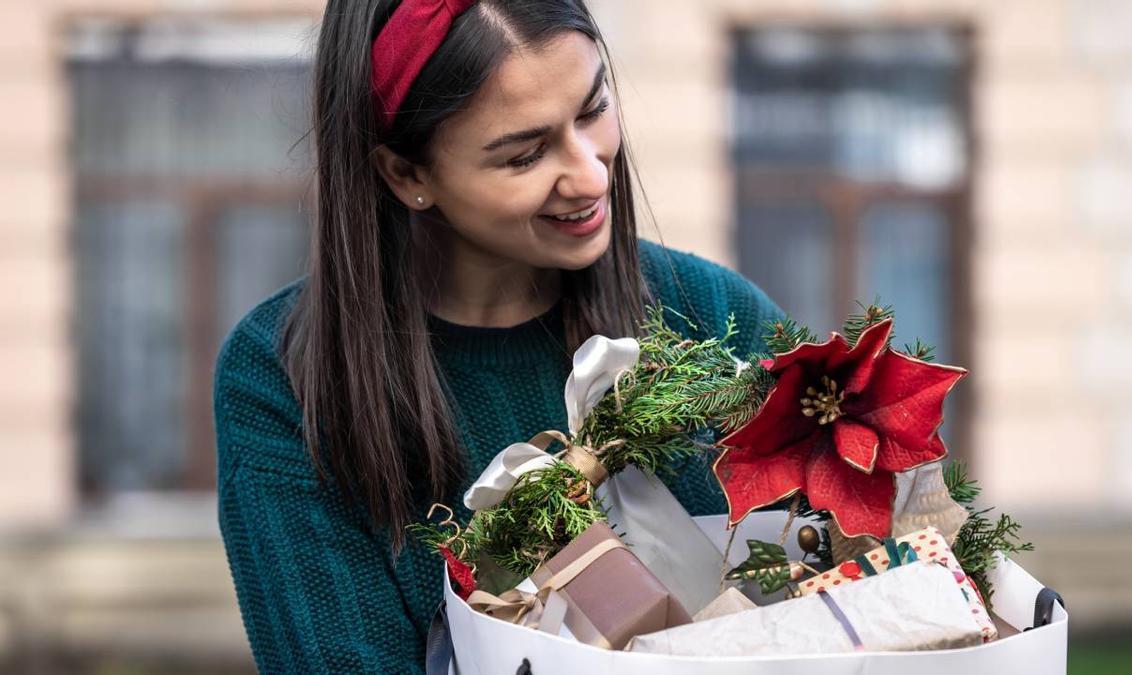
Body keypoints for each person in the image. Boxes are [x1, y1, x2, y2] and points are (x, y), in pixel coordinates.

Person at [213, 0, 785, 672]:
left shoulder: (707, 312)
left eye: (593, 109)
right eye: (526, 154)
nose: (591, 174)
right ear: (408, 173)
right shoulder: (288, 382)